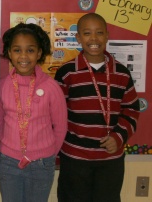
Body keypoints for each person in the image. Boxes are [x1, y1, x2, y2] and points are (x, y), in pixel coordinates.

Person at [54, 13, 140, 202]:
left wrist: (118, 137)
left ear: (107, 36)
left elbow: (132, 111)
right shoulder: (67, 73)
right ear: (78, 38)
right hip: (74, 159)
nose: (93, 38)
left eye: (99, 33)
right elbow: (56, 115)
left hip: (110, 160)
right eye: (87, 33)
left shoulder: (122, 74)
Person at [0, 23, 67, 202]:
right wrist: (10, 147)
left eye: (30, 50)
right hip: (9, 162)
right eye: (17, 50)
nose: (24, 56)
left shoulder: (51, 87)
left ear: (39, 53)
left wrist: (46, 154)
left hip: (41, 164)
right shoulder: (2, 86)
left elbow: (60, 127)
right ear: (9, 53)